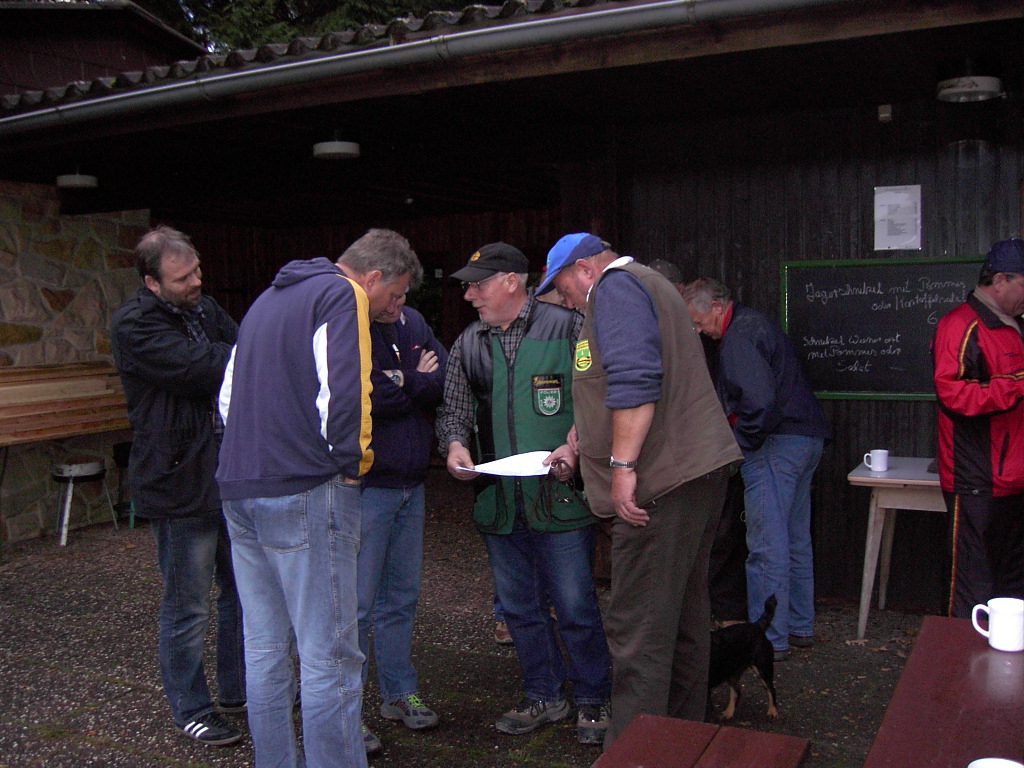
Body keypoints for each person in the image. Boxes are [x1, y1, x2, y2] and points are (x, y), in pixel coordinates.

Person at [215, 229, 422, 768]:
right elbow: (346, 394)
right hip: (306, 490)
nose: (391, 308)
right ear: (371, 277)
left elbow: (228, 397)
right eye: (393, 294)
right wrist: (351, 470)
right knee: (329, 655)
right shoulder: (341, 294)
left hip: (240, 488)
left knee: (265, 648)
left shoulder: (265, 301)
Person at [539, 234, 742, 746]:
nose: (567, 302)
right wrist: (579, 439)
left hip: (661, 484)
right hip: (694, 475)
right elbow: (617, 385)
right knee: (683, 620)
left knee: (639, 632)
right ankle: (681, 741)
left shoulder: (615, 289)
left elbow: (635, 379)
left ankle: (635, 752)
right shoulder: (650, 286)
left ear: (584, 269)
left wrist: (622, 466)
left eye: (565, 290)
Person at [436, 242, 612, 746]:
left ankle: (594, 697)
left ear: (511, 281)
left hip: (560, 496)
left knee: (575, 605)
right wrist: (454, 446)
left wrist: (576, 445)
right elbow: (453, 410)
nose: (469, 295)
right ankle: (542, 693)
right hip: (498, 499)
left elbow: (600, 398)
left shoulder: (570, 328)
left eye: (478, 285)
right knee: (518, 608)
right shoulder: (468, 343)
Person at [110, 225, 245, 747]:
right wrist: (248, 355)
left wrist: (244, 353)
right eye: (182, 277)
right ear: (152, 282)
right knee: (188, 605)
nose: (196, 282)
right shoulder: (135, 324)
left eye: (197, 271)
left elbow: (239, 346)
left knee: (242, 593)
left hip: (227, 475)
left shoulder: (204, 309)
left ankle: (239, 689)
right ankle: (191, 708)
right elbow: (204, 366)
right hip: (178, 481)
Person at [682, 277, 830, 660]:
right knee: (795, 539)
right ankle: (799, 626)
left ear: (717, 307)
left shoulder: (738, 339)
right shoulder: (756, 324)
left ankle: (769, 641)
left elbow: (760, 404)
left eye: (698, 321)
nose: (699, 331)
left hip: (773, 445)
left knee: (766, 547)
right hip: (806, 439)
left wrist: (739, 446)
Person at [357, 292, 447, 751]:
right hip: (368, 488)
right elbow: (368, 395)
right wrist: (416, 380)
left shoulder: (412, 321)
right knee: (356, 606)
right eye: (391, 294)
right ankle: (345, 711)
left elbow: (444, 379)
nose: (398, 303)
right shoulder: (354, 323)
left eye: (404, 294)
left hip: (412, 483)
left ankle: (398, 692)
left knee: (401, 598)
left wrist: (402, 380)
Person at [648, 261, 749, 625]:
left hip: (710, 448)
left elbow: (751, 400)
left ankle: (725, 615)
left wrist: (738, 444)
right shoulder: (668, 330)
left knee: (720, 536)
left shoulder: (725, 334)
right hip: (688, 448)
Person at [931, 237, 1024, 618]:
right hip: (976, 478)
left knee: (1011, 586)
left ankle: (1008, 653)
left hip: (1014, 478)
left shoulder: (1016, 324)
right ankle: (960, 656)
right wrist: (1016, 385)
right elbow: (953, 395)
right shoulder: (960, 324)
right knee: (971, 587)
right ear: (1000, 280)